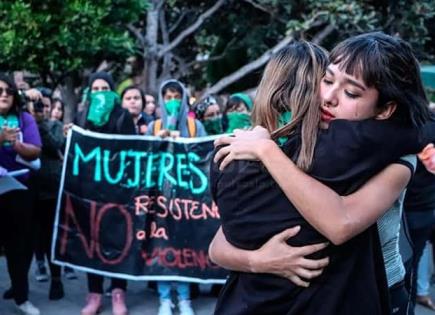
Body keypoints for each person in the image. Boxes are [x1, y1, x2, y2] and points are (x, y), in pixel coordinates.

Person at [210, 33, 433, 315]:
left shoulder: (398, 156)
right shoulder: (302, 143)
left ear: (386, 109)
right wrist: (260, 260)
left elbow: (340, 223)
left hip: (380, 291)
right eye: (327, 80)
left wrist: (267, 151)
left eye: (351, 93)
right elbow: (219, 244)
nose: (328, 98)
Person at [75, 71, 135, 315]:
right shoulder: (82, 115)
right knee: (93, 242)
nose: (100, 93)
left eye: (104, 89)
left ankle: (118, 292)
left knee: (117, 240)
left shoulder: (122, 116)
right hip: (89, 192)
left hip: (117, 192)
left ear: (112, 91)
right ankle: (95, 294)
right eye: (96, 89)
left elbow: (132, 150)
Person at [147, 79, 206, 315]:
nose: (172, 100)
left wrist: (184, 144)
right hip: (160, 196)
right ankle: (164, 298)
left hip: (187, 198)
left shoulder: (194, 126)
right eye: (168, 96)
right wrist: (157, 141)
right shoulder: (154, 126)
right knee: (162, 246)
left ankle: (184, 298)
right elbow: (144, 158)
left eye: (176, 96)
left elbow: (203, 156)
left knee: (184, 247)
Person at [0, 73, 42, 315]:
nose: (4, 94)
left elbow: (35, 151)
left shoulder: (25, 119)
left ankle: (21, 296)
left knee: (21, 247)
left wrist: (15, 144)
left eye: (8, 90)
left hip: (19, 191)